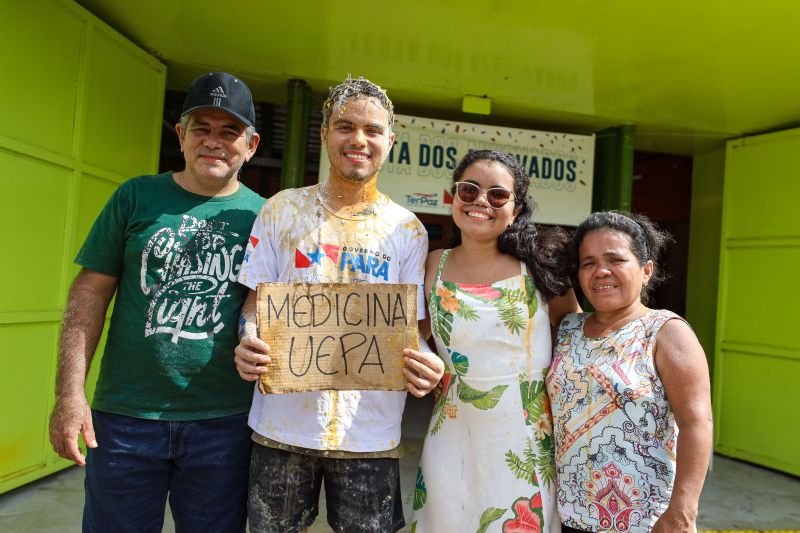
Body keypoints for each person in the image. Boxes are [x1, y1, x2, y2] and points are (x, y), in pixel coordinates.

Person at [48, 72, 264, 533]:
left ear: (251, 145)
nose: (214, 142)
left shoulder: (265, 215)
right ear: (181, 136)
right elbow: (88, 295)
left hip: (225, 422)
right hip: (125, 419)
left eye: (230, 131)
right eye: (201, 128)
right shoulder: (135, 197)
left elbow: (263, 307)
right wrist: (69, 394)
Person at [233, 75, 445, 533]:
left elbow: (413, 330)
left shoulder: (407, 230)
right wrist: (248, 337)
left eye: (372, 130)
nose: (359, 140)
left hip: (370, 434)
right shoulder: (281, 210)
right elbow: (254, 306)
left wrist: (426, 363)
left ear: (391, 140)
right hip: (281, 428)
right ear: (325, 133)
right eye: (345, 126)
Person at [411, 150, 580, 532]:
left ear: (516, 209)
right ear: (453, 197)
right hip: (451, 431)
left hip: (526, 435)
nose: (481, 202)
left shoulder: (541, 264)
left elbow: (576, 338)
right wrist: (426, 361)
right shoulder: (430, 263)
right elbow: (412, 333)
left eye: (497, 195)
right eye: (469, 190)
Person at [548, 211, 713, 533]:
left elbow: (697, 422)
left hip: (645, 520)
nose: (601, 272)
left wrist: (683, 511)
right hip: (567, 515)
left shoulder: (665, 331)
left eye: (615, 259)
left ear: (646, 270)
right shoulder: (567, 329)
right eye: (588, 263)